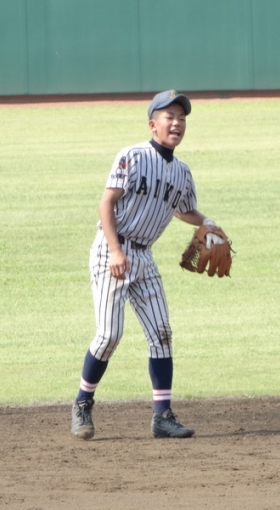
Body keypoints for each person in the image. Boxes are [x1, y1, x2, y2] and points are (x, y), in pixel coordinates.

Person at [71, 90, 225, 440]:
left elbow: (183, 210)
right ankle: (82, 403)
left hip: (144, 257)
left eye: (181, 119)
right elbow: (106, 203)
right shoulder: (132, 156)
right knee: (109, 335)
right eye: (170, 117)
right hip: (112, 249)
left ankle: (162, 416)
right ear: (153, 124)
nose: (177, 123)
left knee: (162, 334)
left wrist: (208, 222)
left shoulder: (182, 172)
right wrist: (115, 251)